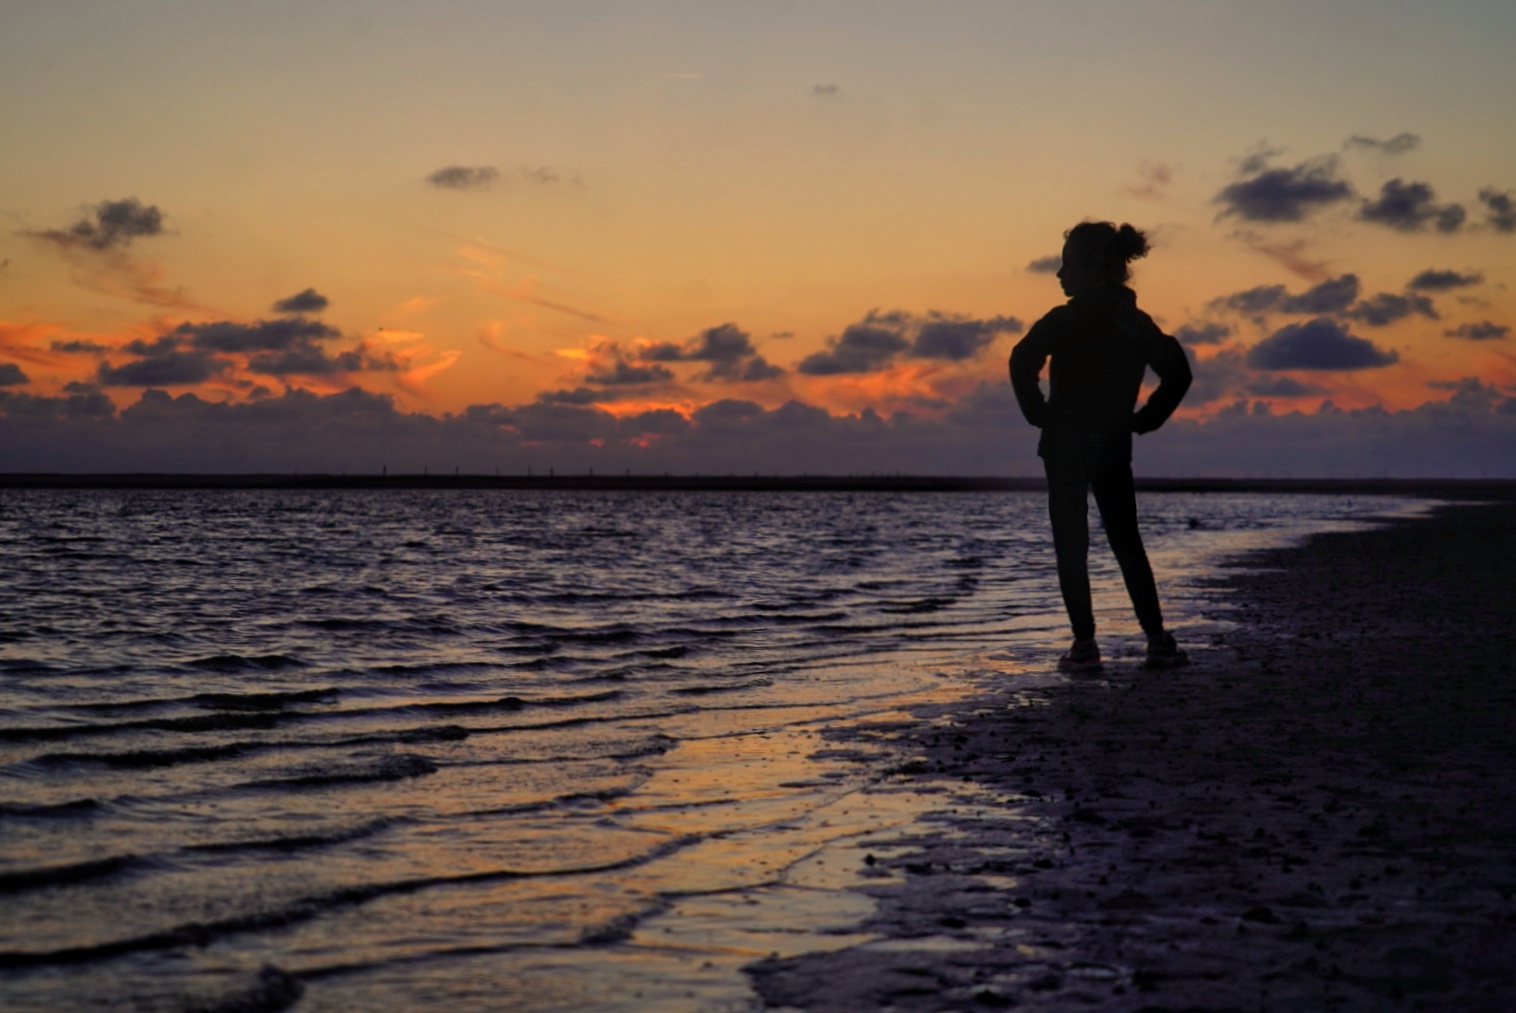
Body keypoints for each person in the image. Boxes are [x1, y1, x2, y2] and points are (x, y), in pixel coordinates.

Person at [1009, 220, 1192, 672]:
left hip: (1066, 443)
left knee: (1072, 544)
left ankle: (1086, 647)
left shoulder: (1065, 319)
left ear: (1092, 268)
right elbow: (1178, 372)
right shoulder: (1132, 322)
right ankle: (1157, 642)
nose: (1058, 274)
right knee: (1125, 540)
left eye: (1066, 264)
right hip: (1110, 441)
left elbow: (1021, 360)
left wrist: (1039, 413)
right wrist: (1143, 421)